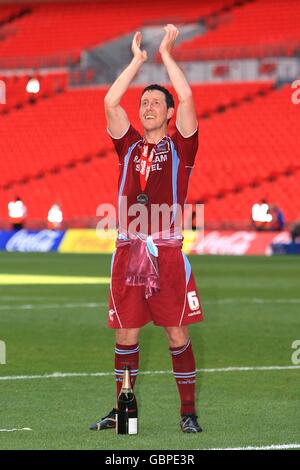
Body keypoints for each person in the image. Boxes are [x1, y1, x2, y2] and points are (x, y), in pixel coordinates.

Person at [90, 25, 204, 433]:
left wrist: (167, 55)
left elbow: (188, 97)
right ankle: (124, 413)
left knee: (176, 333)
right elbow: (109, 100)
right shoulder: (129, 145)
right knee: (125, 334)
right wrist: (138, 61)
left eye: (157, 102)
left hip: (166, 251)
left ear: (170, 113)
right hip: (127, 249)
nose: (149, 107)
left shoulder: (181, 146)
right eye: (145, 102)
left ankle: (187, 413)